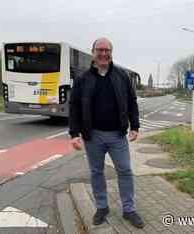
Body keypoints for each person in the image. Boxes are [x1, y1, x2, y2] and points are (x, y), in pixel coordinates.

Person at [68, 37, 144, 229]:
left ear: (111, 52)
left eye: (107, 50)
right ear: (93, 52)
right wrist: (74, 133)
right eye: (99, 50)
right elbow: (74, 106)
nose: (103, 53)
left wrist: (134, 126)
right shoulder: (83, 79)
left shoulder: (121, 76)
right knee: (96, 172)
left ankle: (129, 209)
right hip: (92, 136)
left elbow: (132, 101)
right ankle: (102, 207)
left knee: (125, 170)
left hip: (117, 136)